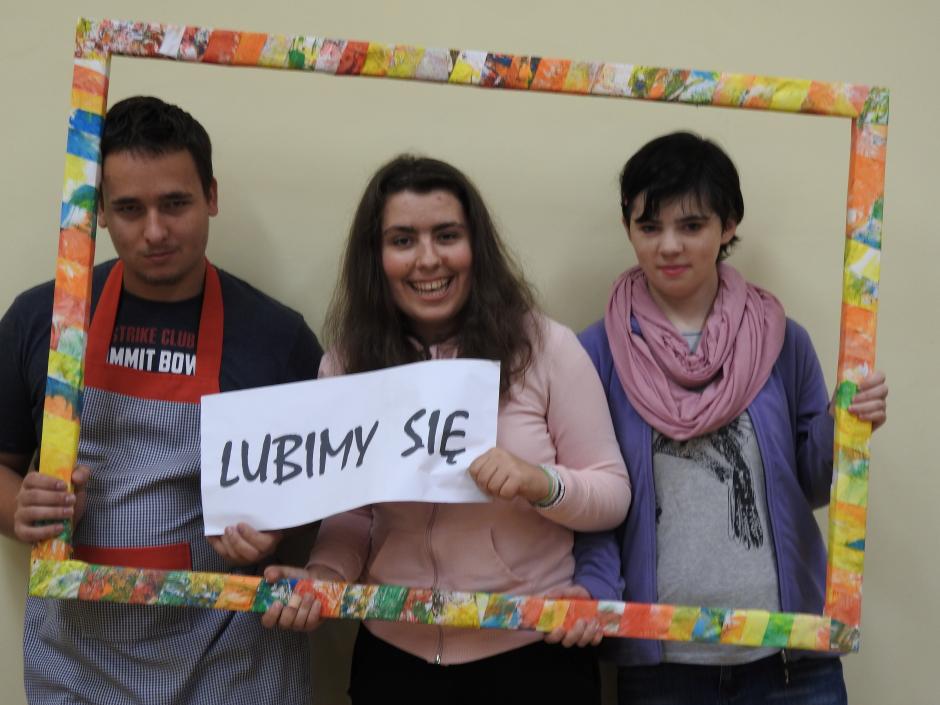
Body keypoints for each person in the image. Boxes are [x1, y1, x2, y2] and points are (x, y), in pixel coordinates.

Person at [261, 155, 631, 705]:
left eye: (447, 235)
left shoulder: (547, 348)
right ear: (376, 256)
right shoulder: (346, 364)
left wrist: (539, 482)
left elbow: (612, 495)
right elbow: (353, 512)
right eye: (403, 240)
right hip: (394, 656)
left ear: (475, 246)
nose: (428, 258)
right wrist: (323, 577)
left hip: (531, 652)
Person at [0, 96, 322, 704]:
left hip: (233, 665)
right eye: (129, 208)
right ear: (98, 211)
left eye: (175, 203)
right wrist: (24, 508)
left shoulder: (278, 338)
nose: (154, 231)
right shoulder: (44, 319)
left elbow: (332, 495)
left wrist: (279, 529)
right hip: (78, 666)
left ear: (212, 197)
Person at [575, 131, 889, 704]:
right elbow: (591, 506)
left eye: (691, 225)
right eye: (650, 227)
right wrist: (590, 594)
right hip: (663, 666)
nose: (669, 246)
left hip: (791, 660)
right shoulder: (596, 353)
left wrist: (846, 424)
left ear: (729, 225)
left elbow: (810, 483)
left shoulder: (781, 340)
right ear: (628, 228)